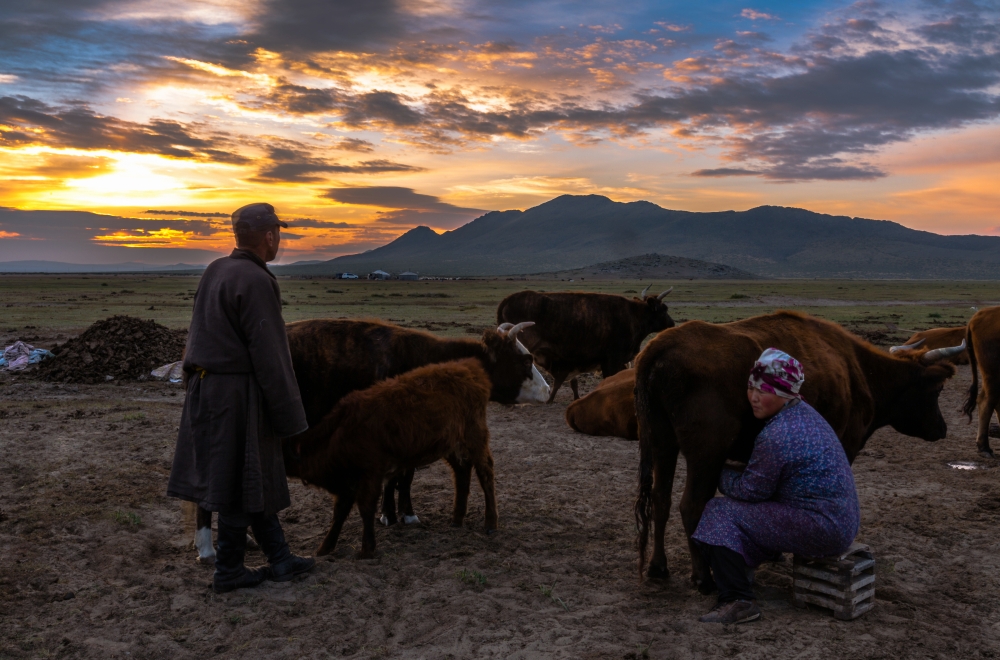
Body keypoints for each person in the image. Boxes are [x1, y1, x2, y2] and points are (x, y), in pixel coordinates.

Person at [167, 202, 316, 594]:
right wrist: (291, 420)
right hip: (237, 394)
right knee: (240, 478)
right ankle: (229, 570)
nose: (279, 239)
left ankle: (280, 557)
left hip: (205, 388)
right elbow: (272, 356)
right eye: (278, 233)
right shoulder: (256, 280)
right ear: (269, 236)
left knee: (251, 475)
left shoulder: (216, 270)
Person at [692, 348, 860, 624]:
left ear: (786, 393)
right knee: (748, 512)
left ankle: (738, 600)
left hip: (823, 527)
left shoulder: (777, 435)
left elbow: (751, 491)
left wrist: (718, 470)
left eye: (765, 390)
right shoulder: (805, 414)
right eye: (751, 387)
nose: (754, 397)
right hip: (841, 520)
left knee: (719, 512)